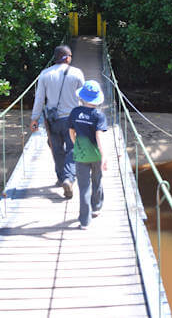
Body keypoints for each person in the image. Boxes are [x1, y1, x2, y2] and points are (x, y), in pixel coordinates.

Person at [30, 45, 85, 198]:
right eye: (71, 56)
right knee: (72, 149)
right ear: (67, 57)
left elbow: (39, 99)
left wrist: (34, 119)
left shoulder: (45, 74)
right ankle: (68, 178)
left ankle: (62, 178)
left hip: (52, 120)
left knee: (57, 149)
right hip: (73, 119)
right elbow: (84, 97)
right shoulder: (77, 73)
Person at [67, 80, 108, 229]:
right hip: (96, 155)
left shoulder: (75, 112)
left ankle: (84, 221)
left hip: (81, 155)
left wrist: (76, 144)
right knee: (97, 180)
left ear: (82, 97)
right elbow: (99, 137)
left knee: (84, 187)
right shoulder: (99, 115)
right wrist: (104, 156)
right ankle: (96, 208)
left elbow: (71, 132)